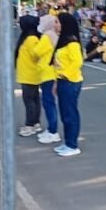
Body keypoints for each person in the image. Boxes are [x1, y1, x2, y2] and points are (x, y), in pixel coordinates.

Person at [53, 13, 84, 157]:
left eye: (57, 22)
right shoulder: (64, 41)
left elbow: (78, 62)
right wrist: (57, 80)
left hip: (70, 81)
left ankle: (72, 145)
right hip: (62, 80)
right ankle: (67, 142)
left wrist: (65, 74)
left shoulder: (72, 43)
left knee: (70, 113)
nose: (55, 25)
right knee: (65, 113)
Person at [16, 15, 48, 137]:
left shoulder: (31, 39)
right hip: (29, 73)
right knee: (34, 99)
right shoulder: (30, 37)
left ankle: (30, 125)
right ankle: (35, 123)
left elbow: (36, 54)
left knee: (29, 100)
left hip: (30, 74)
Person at [36, 15, 61, 145]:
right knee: (49, 102)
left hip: (47, 73)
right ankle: (51, 129)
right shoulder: (56, 36)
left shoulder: (47, 37)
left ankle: (53, 131)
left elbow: (36, 52)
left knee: (48, 103)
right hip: (53, 72)